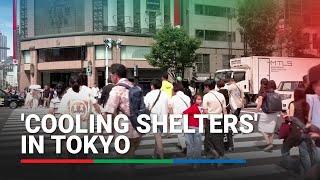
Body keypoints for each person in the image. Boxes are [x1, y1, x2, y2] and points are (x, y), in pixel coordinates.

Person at [103, 64, 141, 157]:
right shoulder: (135, 87)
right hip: (137, 129)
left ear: (115, 75)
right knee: (131, 156)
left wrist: (110, 129)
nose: (110, 77)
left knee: (122, 158)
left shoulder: (117, 89)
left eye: (110, 75)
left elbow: (107, 113)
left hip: (123, 130)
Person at [58, 75, 95, 159]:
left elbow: (62, 115)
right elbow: (93, 112)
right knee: (83, 156)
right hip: (84, 131)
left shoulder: (66, 96)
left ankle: (72, 171)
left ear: (70, 84)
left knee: (71, 157)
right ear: (81, 83)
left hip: (70, 131)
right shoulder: (88, 94)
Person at [281, 88, 313, 174]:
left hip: (295, 131)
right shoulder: (308, 104)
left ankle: (294, 165)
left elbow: (291, 118)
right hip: (306, 131)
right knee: (304, 153)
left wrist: (285, 116)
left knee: (284, 150)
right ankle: (308, 172)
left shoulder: (293, 104)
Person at [144, 79, 169, 159]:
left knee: (158, 137)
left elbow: (146, 107)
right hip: (164, 117)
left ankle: (162, 156)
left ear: (152, 86)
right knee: (157, 136)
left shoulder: (149, 95)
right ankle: (154, 154)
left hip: (154, 117)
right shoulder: (165, 94)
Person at [203, 79, 227, 159]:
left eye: (205, 87)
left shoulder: (206, 96)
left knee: (209, 139)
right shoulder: (221, 95)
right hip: (220, 119)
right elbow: (224, 109)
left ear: (207, 87)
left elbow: (205, 111)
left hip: (211, 120)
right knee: (219, 139)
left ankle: (215, 155)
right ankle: (220, 155)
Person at [256, 80, 278, 152]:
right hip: (274, 113)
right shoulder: (276, 94)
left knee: (261, 128)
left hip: (266, 113)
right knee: (271, 130)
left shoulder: (264, 93)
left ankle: (269, 143)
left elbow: (259, 103)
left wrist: (256, 111)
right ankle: (270, 143)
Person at [170, 82, 191, 153]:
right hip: (187, 116)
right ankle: (181, 144)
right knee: (185, 132)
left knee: (180, 133)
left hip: (177, 117)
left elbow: (170, 108)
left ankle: (184, 147)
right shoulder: (187, 97)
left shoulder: (173, 98)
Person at [183, 94, 203, 159]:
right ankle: (196, 159)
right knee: (197, 144)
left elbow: (184, 112)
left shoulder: (192, 107)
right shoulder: (200, 108)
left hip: (190, 126)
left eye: (200, 99)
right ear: (194, 100)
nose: (200, 101)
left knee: (190, 144)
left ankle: (189, 157)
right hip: (196, 127)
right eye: (198, 99)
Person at [217, 80, 233, 151]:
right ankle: (230, 145)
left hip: (221, 112)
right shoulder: (228, 92)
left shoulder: (218, 94)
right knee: (228, 130)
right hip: (228, 112)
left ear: (217, 86)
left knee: (220, 130)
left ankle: (222, 145)